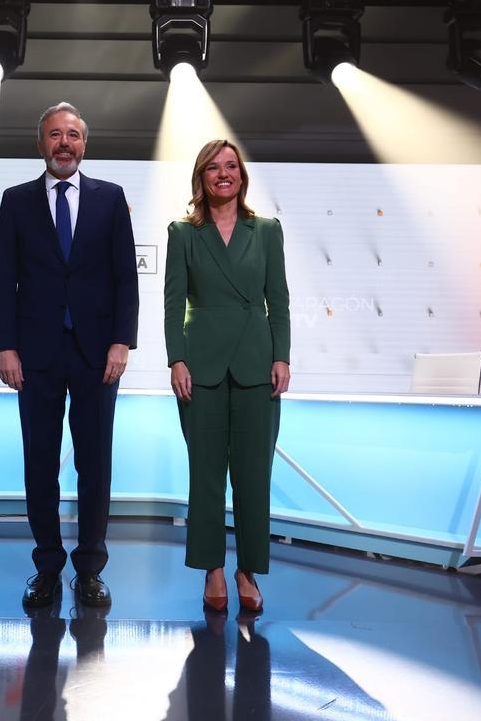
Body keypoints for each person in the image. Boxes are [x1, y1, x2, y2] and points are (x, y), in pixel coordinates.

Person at [0, 101, 139, 609]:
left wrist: (122, 341)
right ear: (41, 144)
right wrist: (5, 346)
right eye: (55, 135)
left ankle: (91, 569)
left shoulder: (111, 198)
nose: (64, 143)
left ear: (84, 144)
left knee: (95, 465)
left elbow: (125, 278)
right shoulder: (15, 201)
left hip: (99, 354)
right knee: (40, 463)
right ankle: (48, 567)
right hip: (35, 355)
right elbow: (2, 280)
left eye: (72, 135)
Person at [163, 139, 290, 614]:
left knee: (255, 475)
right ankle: (213, 570)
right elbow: (173, 303)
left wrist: (283, 356)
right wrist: (177, 359)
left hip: (258, 364)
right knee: (207, 475)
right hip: (202, 366)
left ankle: (248, 570)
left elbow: (278, 300)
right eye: (213, 168)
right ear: (201, 177)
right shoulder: (183, 232)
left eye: (231, 166)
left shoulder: (268, 230)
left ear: (242, 175)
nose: (223, 174)